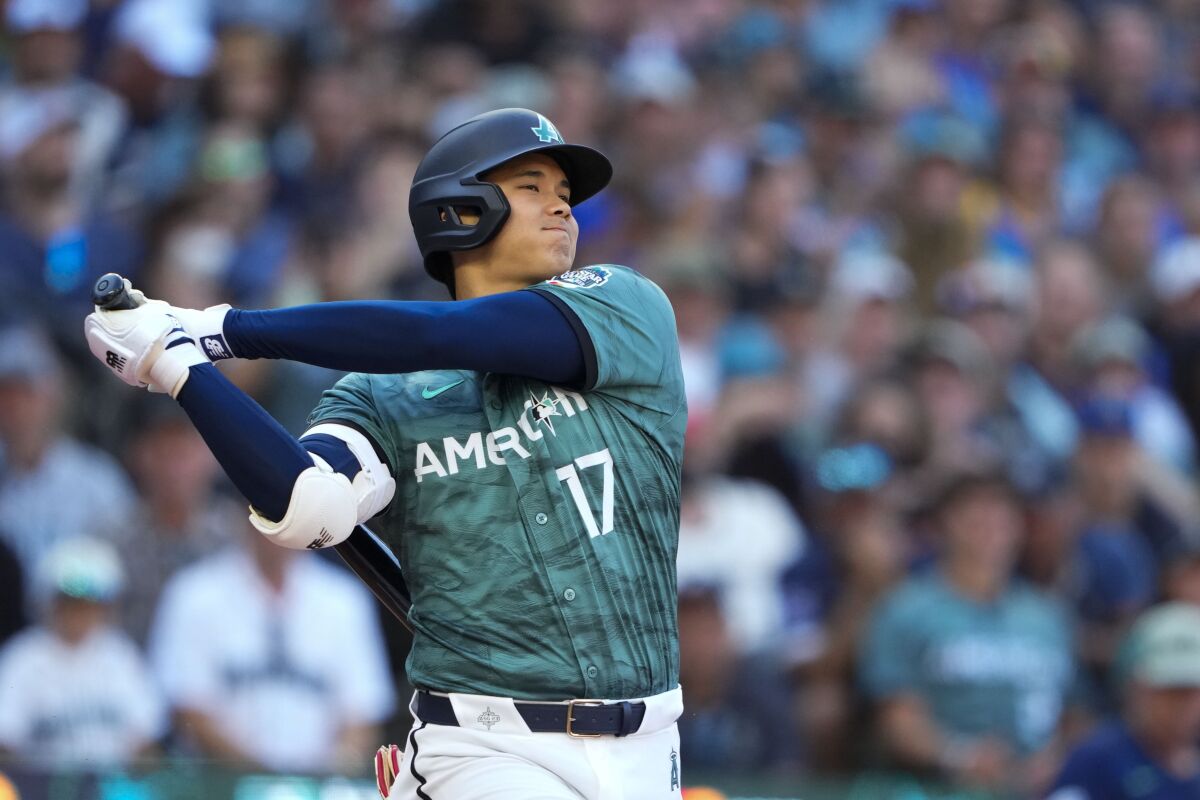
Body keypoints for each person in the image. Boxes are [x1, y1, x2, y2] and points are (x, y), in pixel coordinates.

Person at [83, 108, 687, 798]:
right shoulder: (381, 396)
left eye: (565, 194)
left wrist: (221, 328)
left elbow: (446, 334)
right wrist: (178, 367)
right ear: (461, 211)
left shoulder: (626, 308)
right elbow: (307, 506)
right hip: (487, 747)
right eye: (532, 185)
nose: (562, 206)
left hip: (650, 746)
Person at [859, 468, 1077, 796]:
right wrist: (958, 756)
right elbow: (896, 717)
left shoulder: (1046, 616)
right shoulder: (906, 608)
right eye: (974, 516)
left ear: (1019, 528)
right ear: (943, 526)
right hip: (939, 784)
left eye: (1000, 516)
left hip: (1038, 783)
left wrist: (1056, 759)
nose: (988, 528)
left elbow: (1075, 713)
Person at [147, 519, 395, 774]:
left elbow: (363, 715)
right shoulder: (193, 593)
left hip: (318, 789)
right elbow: (188, 709)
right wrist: (265, 779)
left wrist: (323, 778)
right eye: (273, 510)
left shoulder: (344, 599)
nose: (283, 523)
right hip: (221, 784)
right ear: (247, 511)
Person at [0, 536, 165, 769]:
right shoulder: (22, 657)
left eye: (90, 603)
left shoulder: (120, 655)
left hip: (111, 787)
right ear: (51, 602)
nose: (80, 612)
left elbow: (147, 740)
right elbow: (6, 744)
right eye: (71, 601)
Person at [1046, 602, 1200, 799]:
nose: (1181, 705)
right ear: (1137, 688)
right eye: (1170, 692)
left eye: (1191, 691)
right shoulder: (1097, 760)